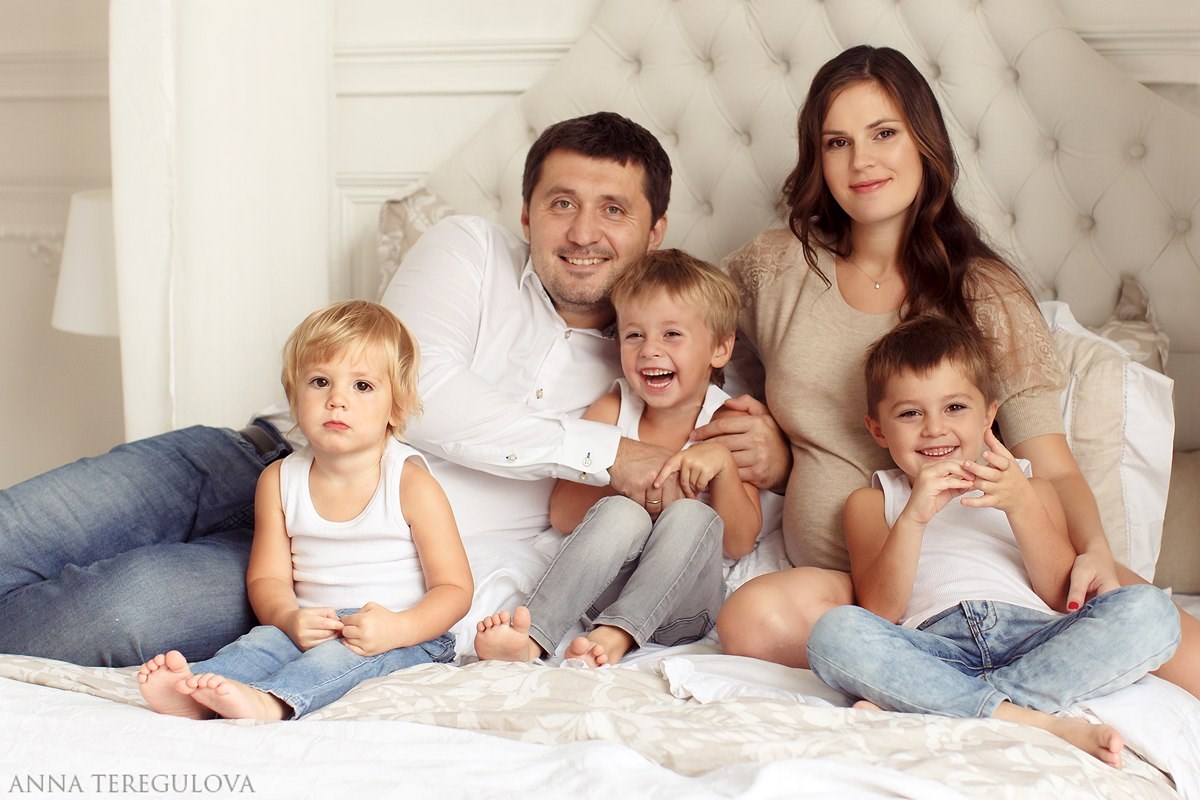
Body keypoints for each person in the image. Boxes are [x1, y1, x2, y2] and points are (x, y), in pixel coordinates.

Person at [0, 110, 783, 666]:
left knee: (118, 612)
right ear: (526, 213)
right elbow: (422, 391)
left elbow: (750, 480)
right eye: (562, 204)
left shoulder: (665, 359)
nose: (583, 233)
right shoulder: (469, 250)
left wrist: (774, 453)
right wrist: (608, 454)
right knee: (20, 528)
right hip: (260, 459)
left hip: (345, 571)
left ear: (655, 231)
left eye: (613, 210)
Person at [703, 44, 1200, 698]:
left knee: (1176, 642)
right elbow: (679, 338)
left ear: (924, 141)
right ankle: (982, 687)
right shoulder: (776, 268)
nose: (861, 161)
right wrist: (768, 442)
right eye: (837, 143)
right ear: (816, 159)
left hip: (992, 567)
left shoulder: (984, 292)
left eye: (884, 133)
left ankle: (968, 687)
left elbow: (1051, 468)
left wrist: (1096, 552)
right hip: (855, 585)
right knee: (748, 621)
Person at [805, 315, 1180, 767]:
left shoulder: (1030, 487)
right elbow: (881, 610)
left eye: (954, 407)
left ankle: (945, 704)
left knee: (1153, 612)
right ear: (878, 429)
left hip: (1035, 640)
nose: (934, 428)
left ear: (989, 415)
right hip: (936, 650)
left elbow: (1059, 594)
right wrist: (913, 518)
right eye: (909, 413)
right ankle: (1035, 721)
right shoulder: (871, 502)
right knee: (833, 633)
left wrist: (1021, 506)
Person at [136, 300, 473, 720]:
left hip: (404, 637)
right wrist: (289, 618)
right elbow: (268, 577)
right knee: (259, 644)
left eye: (362, 386)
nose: (337, 400)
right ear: (294, 397)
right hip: (314, 626)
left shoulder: (410, 483)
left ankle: (271, 702)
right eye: (319, 381)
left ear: (396, 407)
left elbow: (454, 589)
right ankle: (197, 692)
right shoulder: (279, 480)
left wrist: (400, 627)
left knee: (334, 661)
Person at [473, 250, 762, 666]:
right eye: (634, 335)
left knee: (691, 515)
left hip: (684, 610)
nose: (650, 350)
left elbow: (738, 542)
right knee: (621, 512)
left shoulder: (727, 425)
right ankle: (532, 636)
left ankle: (619, 634)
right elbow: (563, 514)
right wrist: (629, 490)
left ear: (720, 347)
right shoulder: (613, 409)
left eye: (672, 334)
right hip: (602, 596)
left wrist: (724, 466)